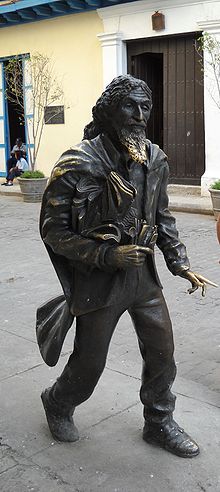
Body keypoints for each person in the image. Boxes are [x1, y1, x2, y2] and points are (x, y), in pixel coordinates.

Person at [37, 75, 217, 458]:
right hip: (99, 280)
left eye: (145, 107)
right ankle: (58, 400)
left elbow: (162, 216)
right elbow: (53, 232)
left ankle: (159, 422)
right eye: (129, 106)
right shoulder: (77, 164)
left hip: (143, 280)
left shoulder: (155, 159)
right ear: (108, 111)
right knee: (89, 366)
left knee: (162, 354)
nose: (139, 116)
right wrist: (107, 255)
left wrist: (180, 263)